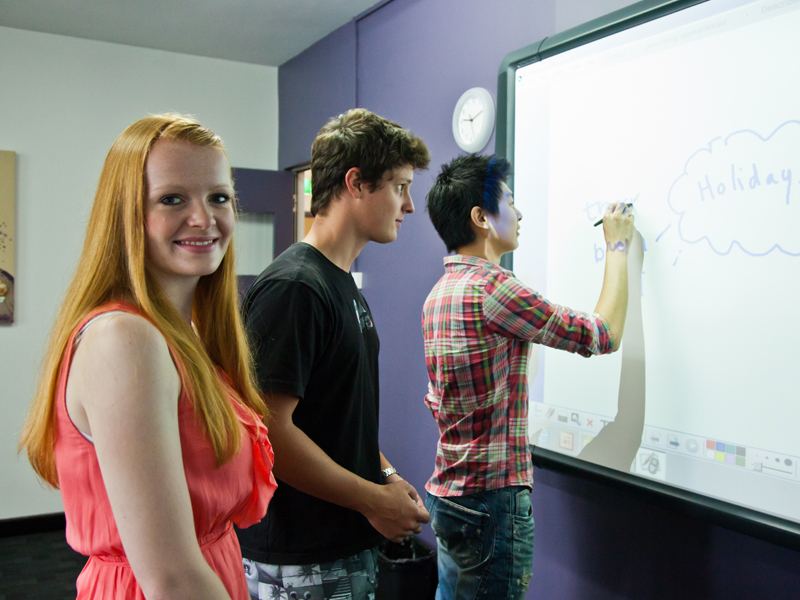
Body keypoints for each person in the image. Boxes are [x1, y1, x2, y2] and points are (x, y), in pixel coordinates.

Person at [19, 114, 277, 600]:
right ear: (126, 214)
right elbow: (172, 580)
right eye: (172, 198)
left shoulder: (182, 334)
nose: (204, 217)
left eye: (219, 197)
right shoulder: (125, 340)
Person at [422, 154, 638, 600]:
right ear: (480, 218)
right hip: (491, 504)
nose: (520, 214)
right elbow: (604, 334)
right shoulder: (495, 288)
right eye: (510, 202)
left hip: (450, 496)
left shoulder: (438, 295)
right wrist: (618, 248)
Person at [236, 108, 431, 600]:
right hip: (300, 560)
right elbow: (269, 434)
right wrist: (374, 500)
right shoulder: (296, 287)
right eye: (399, 186)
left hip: (339, 548)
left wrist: (385, 475)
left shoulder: (337, 283)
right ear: (356, 183)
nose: (408, 205)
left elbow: (336, 418)